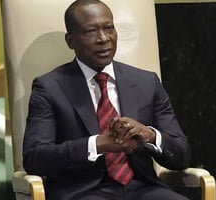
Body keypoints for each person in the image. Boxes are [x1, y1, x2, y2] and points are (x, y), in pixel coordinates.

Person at [22, 0, 191, 199]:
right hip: (83, 192)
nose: (103, 38)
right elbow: (35, 157)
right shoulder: (49, 88)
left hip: (144, 189)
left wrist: (150, 135)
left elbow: (182, 156)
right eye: (90, 31)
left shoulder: (147, 82)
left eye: (109, 28)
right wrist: (97, 144)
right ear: (70, 41)